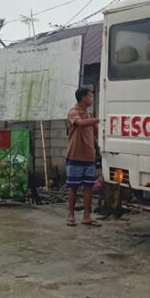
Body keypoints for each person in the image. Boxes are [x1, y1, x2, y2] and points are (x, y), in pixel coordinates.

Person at [65, 87, 101, 227]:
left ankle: (87, 216)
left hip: (89, 157)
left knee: (88, 187)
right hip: (75, 155)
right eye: (90, 97)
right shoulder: (73, 112)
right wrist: (98, 120)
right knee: (73, 187)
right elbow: (80, 123)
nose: (91, 99)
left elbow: (96, 133)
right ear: (83, 98)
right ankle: (71, 215)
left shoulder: (90, 115)